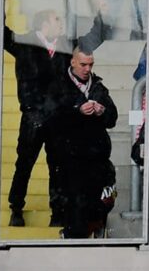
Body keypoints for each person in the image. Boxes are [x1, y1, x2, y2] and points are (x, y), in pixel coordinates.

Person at [3, 9, 109, 229]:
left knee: (58, 165)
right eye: (56, 20)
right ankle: (16, 207)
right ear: (44, 24)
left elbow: (91, 40)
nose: (61, 24)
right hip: (33, 115)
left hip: (59, 116)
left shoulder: (65, 46)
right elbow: (2, 35)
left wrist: (101, 15)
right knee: (24, 163)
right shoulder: (25, 43)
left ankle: (58, 212)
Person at [44, 47, 118, 239]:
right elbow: (51, 118)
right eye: (83, 64)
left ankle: (93, 228)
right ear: (73, 62)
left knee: (100, 200)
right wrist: (77, 110)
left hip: (96, 156)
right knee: (75, 204)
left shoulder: (98, 87)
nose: (87, 69)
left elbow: (112, 118)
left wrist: (102, 111)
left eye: (91, 65)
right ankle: (72, 237)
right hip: (70, 157)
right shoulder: (58, 86)